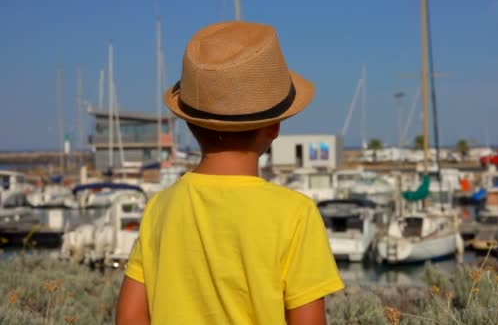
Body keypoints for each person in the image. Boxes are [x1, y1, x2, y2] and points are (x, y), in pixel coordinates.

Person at [115, 21, 344, 324]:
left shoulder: (160, 208)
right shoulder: (295, 215)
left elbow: (130, 316)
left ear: (189, 122)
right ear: (275, 126)